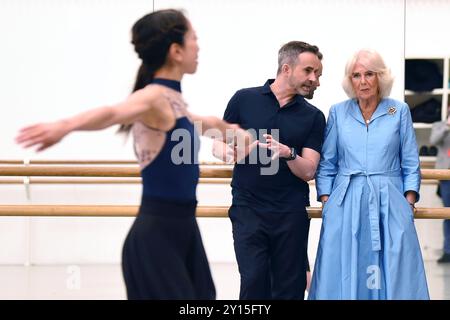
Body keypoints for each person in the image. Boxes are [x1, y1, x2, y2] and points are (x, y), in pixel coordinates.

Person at [15, 9, 252, 300]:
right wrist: (65, 126)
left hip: (184, 231)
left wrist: (238, 136)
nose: (198, 46)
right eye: (194, 38)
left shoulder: (175, 103)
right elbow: (113, 112)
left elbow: (208, 123)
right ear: (176, 51)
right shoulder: (154, 97)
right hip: (157, 237)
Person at [309, 49, 429, 300]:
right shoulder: (338, 112)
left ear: (380, 78)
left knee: (393, 268)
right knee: (345, 265)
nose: (362, 81)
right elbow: (328, 162)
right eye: (356, 75)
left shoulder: (399, 110)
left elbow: (409, 160)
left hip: (390, 200)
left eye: (369, 74)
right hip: (345, 200)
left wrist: (408, 201)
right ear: (349, 80)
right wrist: (326, 201)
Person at [213, 41, 325, 299]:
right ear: (286, 68)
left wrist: (288, 153)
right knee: (253, 281)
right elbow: (218, 143)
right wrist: (228, 152)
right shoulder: (244, 99)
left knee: (289, 287)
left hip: (290, 214)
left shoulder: (313, 117)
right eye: (309, 71)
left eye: (318, 74)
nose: (315, 80)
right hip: (248, 210)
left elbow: (309, 170)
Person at [430, 115, 450, 263]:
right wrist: (447, 126)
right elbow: (433, 141)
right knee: (447, 214)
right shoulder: (439, 125)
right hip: (445, 176)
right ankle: (448, 251)